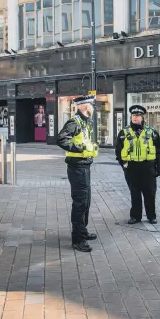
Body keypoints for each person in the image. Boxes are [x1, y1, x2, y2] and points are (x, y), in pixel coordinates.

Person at [57, 95, 98, 252]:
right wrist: (79, 149)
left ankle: (83, 231)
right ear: (84, 106)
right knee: (80, 202)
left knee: (86, 201)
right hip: (77, 167)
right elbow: (61, 139)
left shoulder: (85, 121)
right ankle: (78, 239)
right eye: (90, 104)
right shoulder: (74, 122)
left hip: (84, 166)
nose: (92, 107)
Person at [115, 105, 160, 224]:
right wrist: (124, 166)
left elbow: (159, 151)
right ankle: (135, 216)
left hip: (148, 167)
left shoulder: (152, 133)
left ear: (143, 117)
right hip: (131, 168)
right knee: (134, 193)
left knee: (150, 193)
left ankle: (151, 216)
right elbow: (118, 151)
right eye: (134, 116)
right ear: (131, 117)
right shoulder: (124, 133)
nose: (136, 118)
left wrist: (158, 167)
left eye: (138, 116)